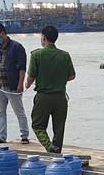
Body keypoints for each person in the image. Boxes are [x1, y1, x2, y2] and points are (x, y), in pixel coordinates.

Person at [24, 24, 76, 153]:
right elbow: (72, 76)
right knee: (59, 128)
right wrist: (59, 79)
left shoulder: (37, 55)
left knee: (38, 125)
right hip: (60, 97)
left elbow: (31, 77)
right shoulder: (65, 55)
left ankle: (49, 146)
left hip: (44, 96)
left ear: (43, 38)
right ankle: (57, 150)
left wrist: (26, 85)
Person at [0, 22, 31, 145]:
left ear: (3, 33)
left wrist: (20, 84)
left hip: (12, 85)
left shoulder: (17, 47)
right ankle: (1, 136)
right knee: (0, 112)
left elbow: (22, 67)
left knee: (19, 111)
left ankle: (24, 135)